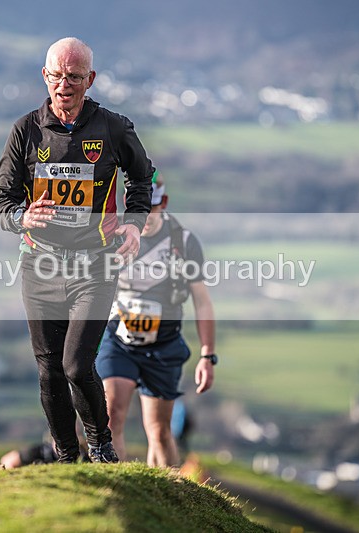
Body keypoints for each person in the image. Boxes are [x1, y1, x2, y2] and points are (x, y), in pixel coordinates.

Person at [0, 37, 154, 463]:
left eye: (75, 77)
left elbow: (142, 178)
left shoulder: (113, 127)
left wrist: (134, 225)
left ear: (90, 80)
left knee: (77, 366)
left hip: (95, 265)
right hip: (39, 265)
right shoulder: (26, 130)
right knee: (49, 371)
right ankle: (65, 456)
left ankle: (100, 447)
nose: (65, 85)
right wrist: (21, 218)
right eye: (58, 75)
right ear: (45, 76)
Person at [96, 172, 216, 467]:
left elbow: (202, 301)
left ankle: (169, 498)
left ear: (164, 204)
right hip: (119, 338)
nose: (146, 216)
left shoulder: (183, 242)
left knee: (159, 431)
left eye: (152, 208)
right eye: (139, 209)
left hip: (163, 343)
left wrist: (207, 355)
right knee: (111, 418)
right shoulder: (112, 237)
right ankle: (116, 492)